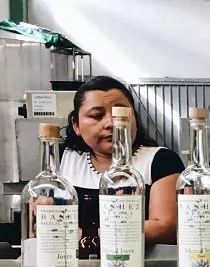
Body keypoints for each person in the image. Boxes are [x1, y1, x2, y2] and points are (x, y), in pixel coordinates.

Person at [61, 76, 184, 246]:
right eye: (97, 116)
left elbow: (164, 227)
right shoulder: (63, 159)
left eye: (121, 114)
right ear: (76, 125)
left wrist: (88, 237)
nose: (111, 123)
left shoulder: (161, 161)